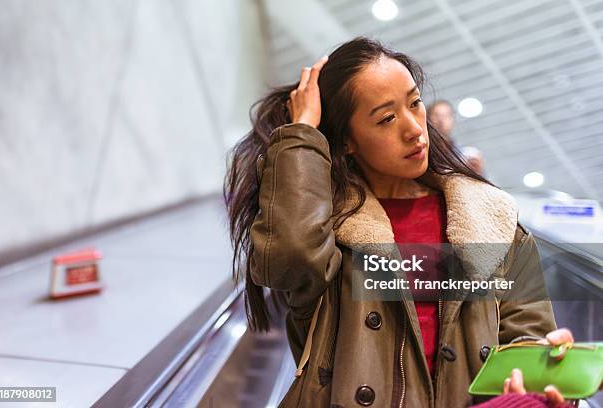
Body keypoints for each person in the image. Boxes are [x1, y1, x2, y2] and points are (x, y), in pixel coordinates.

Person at [224, 36, 565, 407]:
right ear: (347, 140)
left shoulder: (492, 219)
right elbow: (287, 259)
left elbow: (527, 336)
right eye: (387, 118)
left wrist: (543, 369)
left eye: (415, 103)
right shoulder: (329, 233)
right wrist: (302, 132)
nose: (415, 128)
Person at [427, 99, 486, 177]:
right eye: (436, 115)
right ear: (427, 119)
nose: (441, 120)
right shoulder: (424, 151)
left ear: (453, 120)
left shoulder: (465, 155)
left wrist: (477, 173)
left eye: (446, 115)